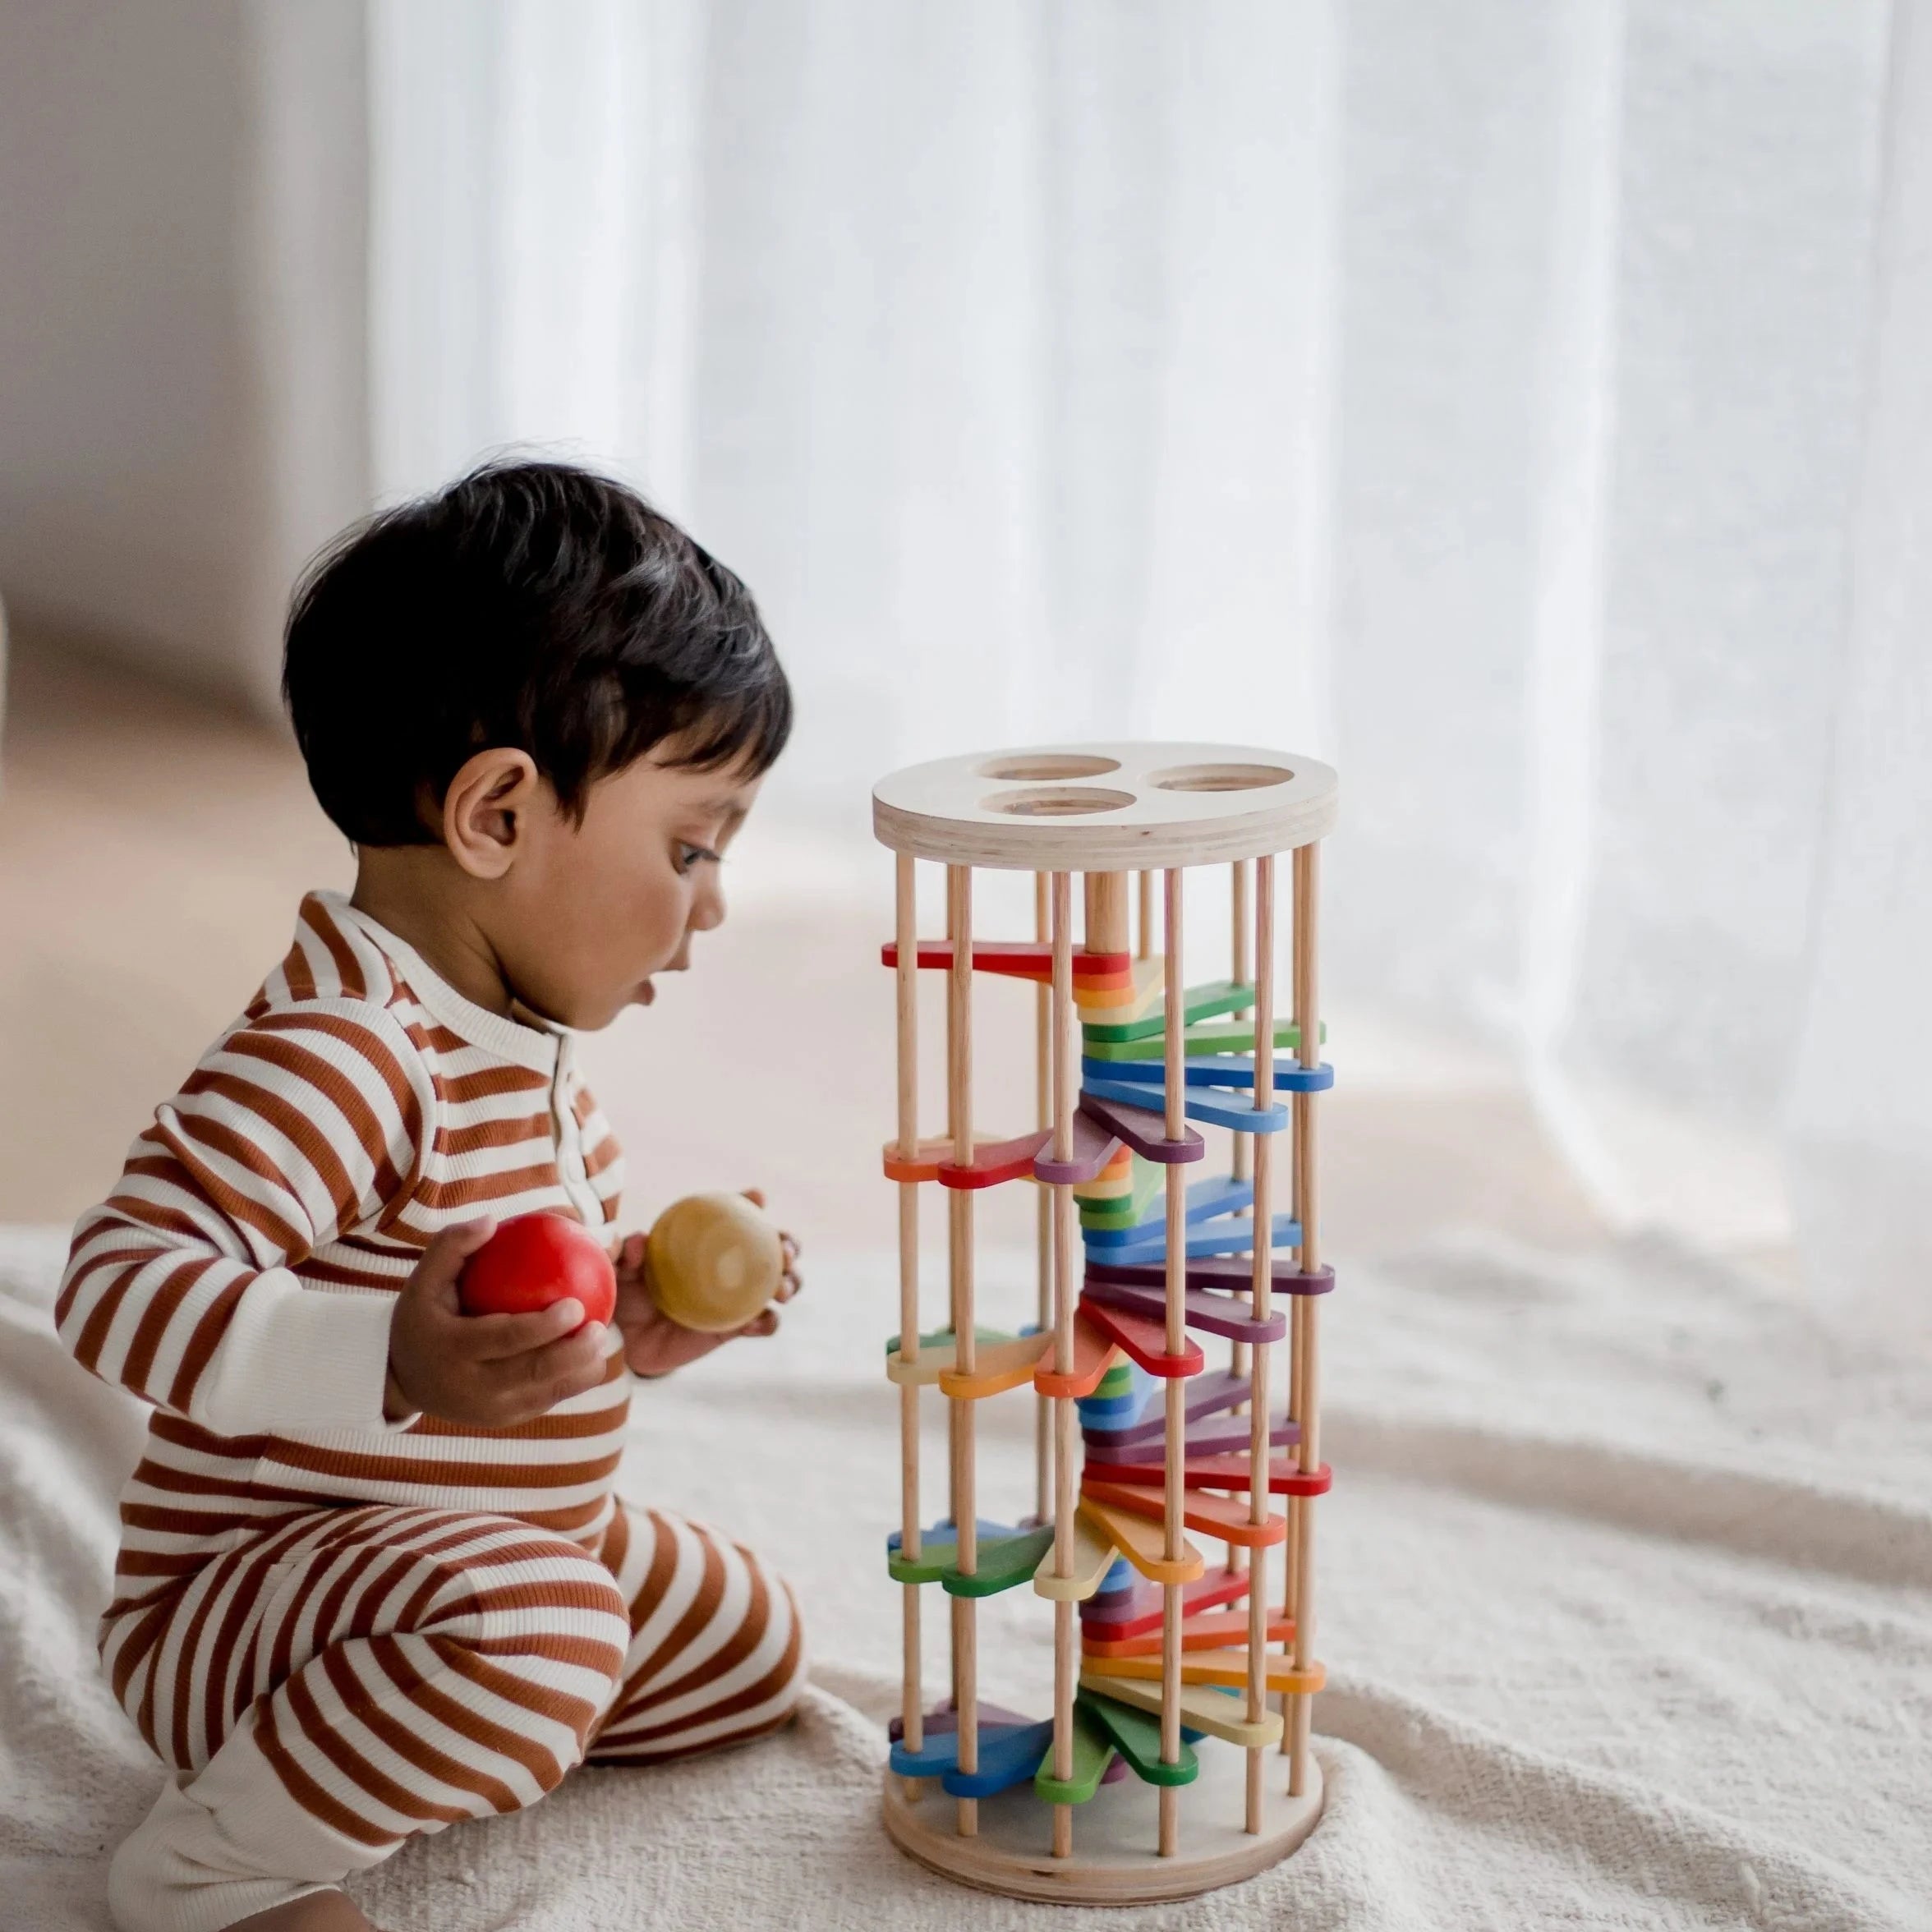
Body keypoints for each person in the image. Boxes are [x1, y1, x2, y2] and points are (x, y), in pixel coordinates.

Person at [56, 460, 807, 1932]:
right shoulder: (342, 1053)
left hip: (457, 1555)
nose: (712, 902)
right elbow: (116, 1278)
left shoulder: (518, 1051)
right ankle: (215, 1867)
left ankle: (474, 1708)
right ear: (499, 816)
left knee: (745, 1640)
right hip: (254, 1609)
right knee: (549, 1631)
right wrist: (387, 1357)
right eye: (691, 845)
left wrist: (635, 1311)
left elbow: (518, 1295)